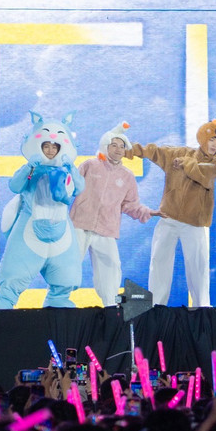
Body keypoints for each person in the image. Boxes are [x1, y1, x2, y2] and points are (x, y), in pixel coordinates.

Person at [0, 113, 84, 309]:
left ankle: (58, 298)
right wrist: (29, 167)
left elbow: (79, 188)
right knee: (16, 268)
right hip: (30, 229)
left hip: (61, 231)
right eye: (46, 146)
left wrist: (72, 168)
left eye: (54, 147)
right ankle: (6, 299)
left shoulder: (66, 171)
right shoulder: (32, 169)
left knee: (66, 270)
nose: (50, 150)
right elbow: (15, 186)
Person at [129, 120, 216, 308]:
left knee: (198, 266)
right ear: (203, 138)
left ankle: (202, 308)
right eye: (212, 140)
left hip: (194, 224)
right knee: (159, 261)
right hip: (168, 218)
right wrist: (130, 149)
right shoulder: (179, 153)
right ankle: (156, 307)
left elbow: (201, 172)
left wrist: (184, 163)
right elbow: (154, 151)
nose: (215, 145)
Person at [71, 122, 157, 306]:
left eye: (122, 146)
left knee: (111, 266)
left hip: (106, 228)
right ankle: (58, 299)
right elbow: (71, 187)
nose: (118, 149)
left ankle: (111, 306)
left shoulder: (127, 176)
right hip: (79, 224)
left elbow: (130, 204)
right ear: (105, 146)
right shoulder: (89, 165)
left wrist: (147, 212)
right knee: (69, 262)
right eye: (114, 145)